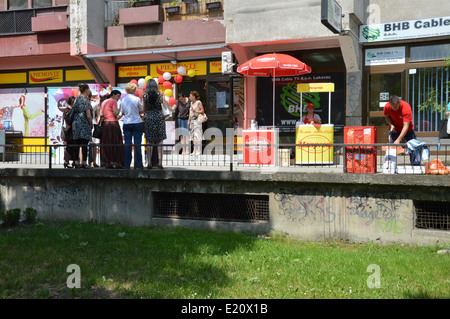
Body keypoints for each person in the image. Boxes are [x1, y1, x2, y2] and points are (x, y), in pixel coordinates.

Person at [143, 80, 166, 169]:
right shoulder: (160, 95)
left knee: (149, 141)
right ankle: (160, 162)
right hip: (159, 118)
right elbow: (162, 106)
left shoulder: (145, 96)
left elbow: (144, 109)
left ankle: (149, 162)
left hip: (149, 118)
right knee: (160, 140)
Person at [121, 82, 144, 169]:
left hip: (126, 122)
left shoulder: (123, 100)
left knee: (127, 144)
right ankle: (139, 165)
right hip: (137, 122)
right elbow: (141, 110)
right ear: (134, 90)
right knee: (137, 144)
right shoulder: (137, 99)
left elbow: (122, 112)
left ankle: (127, 164)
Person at [100, 90, 125, 169]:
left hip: (105, 124)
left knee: (107, 143)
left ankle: (107, 162)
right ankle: (118, 161)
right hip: (113, 124)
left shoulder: (104, 102)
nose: (118, 98)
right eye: (118, 96)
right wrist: (120, 108)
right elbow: (115, 113)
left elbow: (101, 114)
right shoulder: (113, 101)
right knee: (116, 142)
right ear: (113, 95)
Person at [71, 84, 93, 169]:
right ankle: (84, 162)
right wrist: (91, 124)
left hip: (76, 123)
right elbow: (88, 115)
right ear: (86, 90)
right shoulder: (86, 100)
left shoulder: (76, 99)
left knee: (76, 144)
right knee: (84, 144)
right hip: (84, 124)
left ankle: (76, 162)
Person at [188, 91, 205, 156]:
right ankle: (194, 150)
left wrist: (196, 111)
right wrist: (188, 121)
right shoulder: (191, 103)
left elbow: (202, 110)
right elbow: (190, 113)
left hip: (197, 120)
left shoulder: (198, 102)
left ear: (194, 97)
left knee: (198, 136)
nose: (190, 97)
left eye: (191, 96)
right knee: (192, 136)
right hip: (192, 120)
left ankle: (199, 151)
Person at [63, 96, 76, 168]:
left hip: (72, 130)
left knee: (74, 146)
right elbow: (69, 120)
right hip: (70, 130)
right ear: (72, 102)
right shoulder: (68, 110)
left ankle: (74, 161)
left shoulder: (69, 110)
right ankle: (66, 162)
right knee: (69, 147)